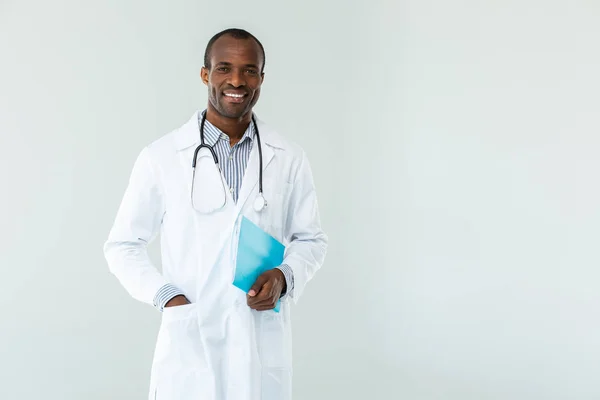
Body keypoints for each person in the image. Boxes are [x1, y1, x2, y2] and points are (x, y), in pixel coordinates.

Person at [103, 28, 328, 400]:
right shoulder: (161, 157)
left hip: (260, 344)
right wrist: (166, 296)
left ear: (261, 78)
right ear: (206, 74)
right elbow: (122, 245)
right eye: (224, 68)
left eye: (249, 70)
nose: (237, 80)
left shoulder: (288, 157)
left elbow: (311, 239)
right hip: (189, 344)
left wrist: (285, 276)